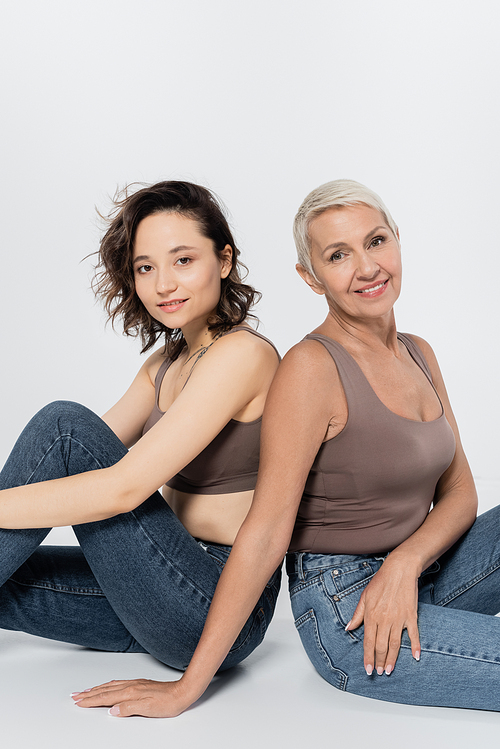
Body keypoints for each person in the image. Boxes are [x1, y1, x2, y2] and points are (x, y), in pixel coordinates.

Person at [71, 178, 500, 717]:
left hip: (418, 573)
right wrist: (188, 686)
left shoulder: (419, 352)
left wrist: (405, 565)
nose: (367, 268)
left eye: (376, 241)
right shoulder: (310, 368)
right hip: (345, 605)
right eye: (338, 255)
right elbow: (267, 528)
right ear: (311, 277)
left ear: (397, 240)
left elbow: (460, 492)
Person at [0, 180, 281, 702]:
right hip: (153, 594)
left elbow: (118, 488)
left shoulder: (244, 355)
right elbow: (67, 468)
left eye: (183, 260)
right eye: (145, 267)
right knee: (4, 576)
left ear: (223, 261)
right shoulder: (163, 366)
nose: (163, 284)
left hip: (215, 604)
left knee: (62, 422)